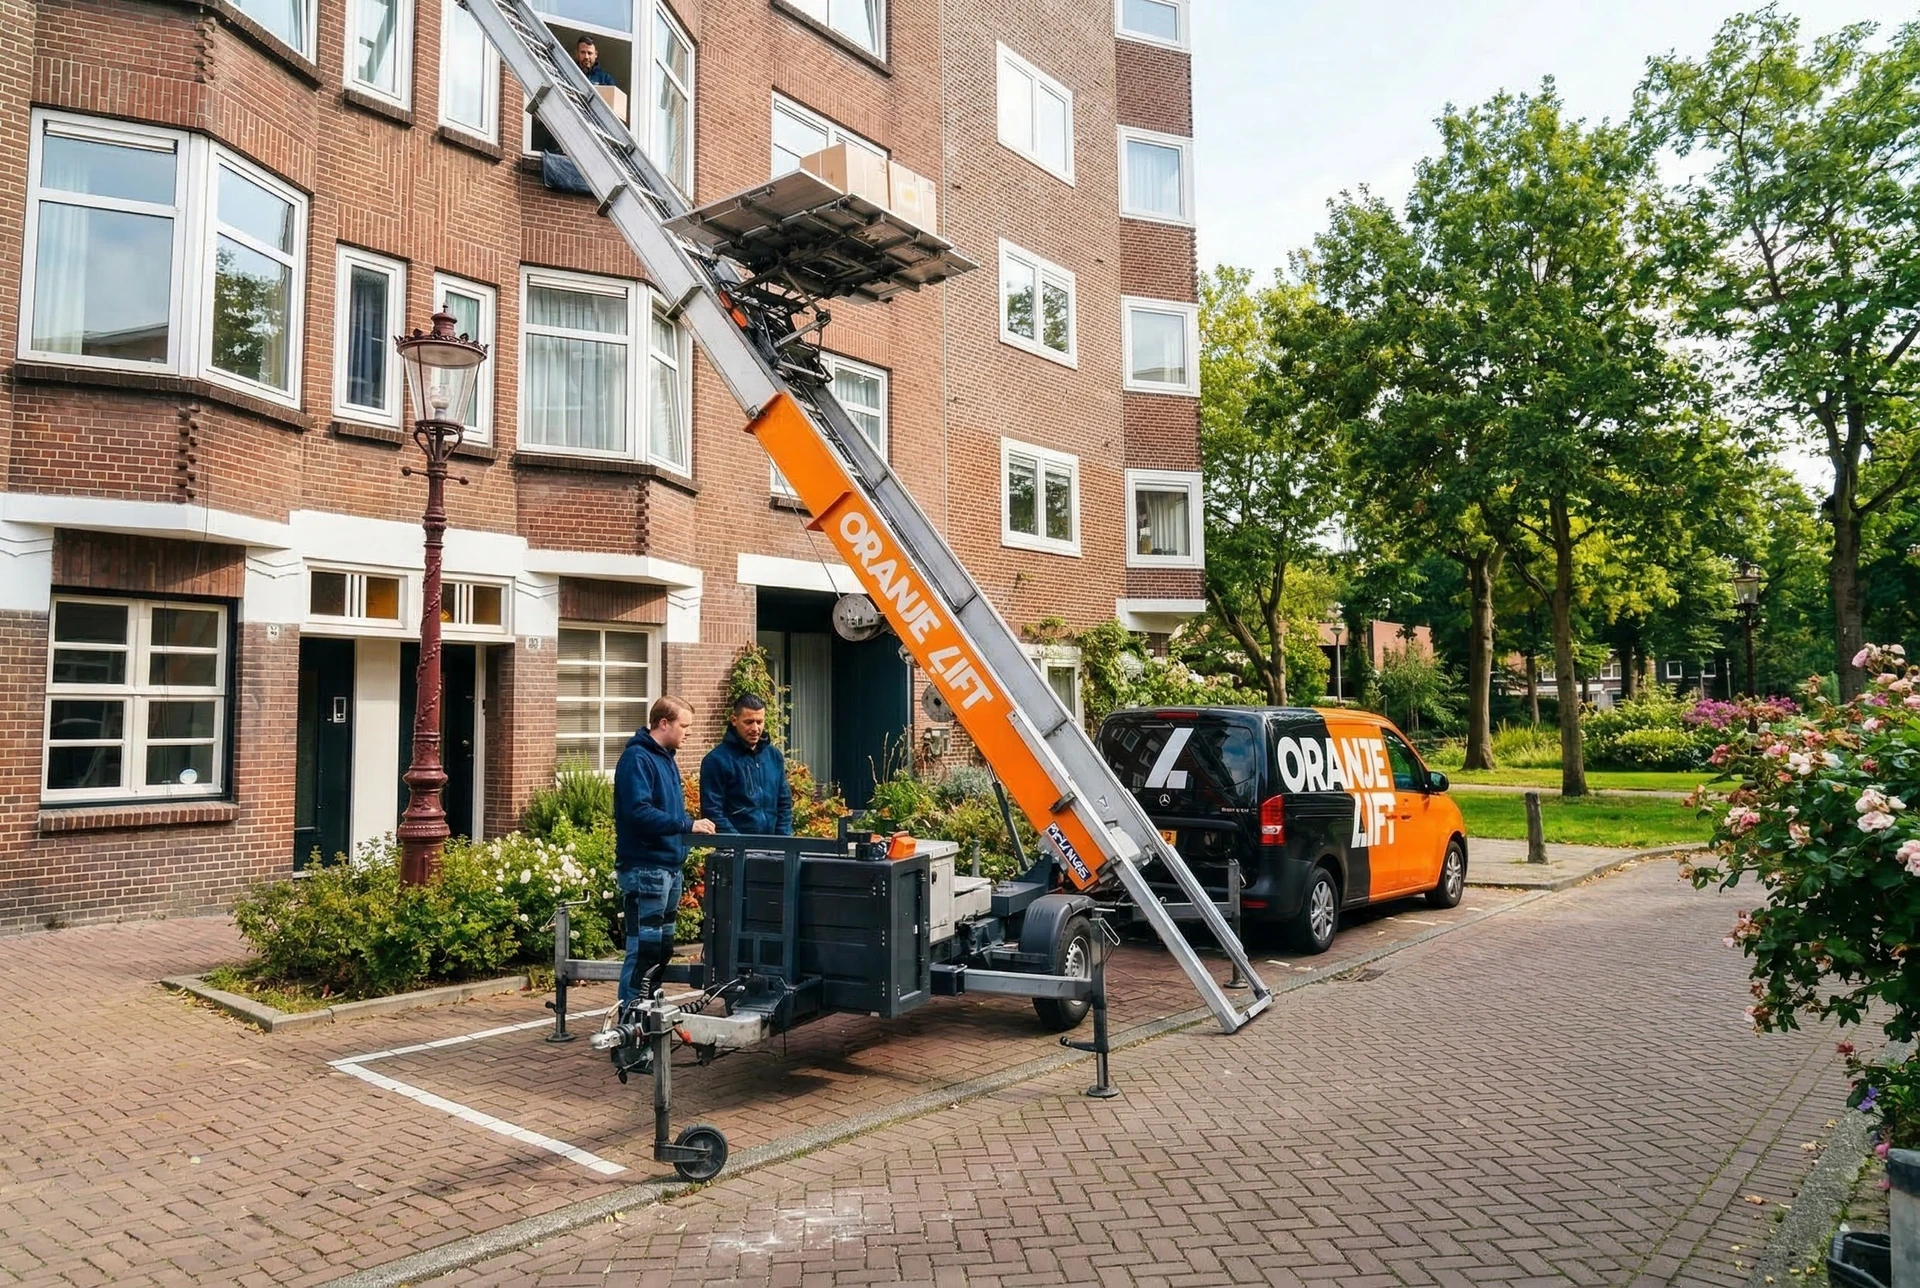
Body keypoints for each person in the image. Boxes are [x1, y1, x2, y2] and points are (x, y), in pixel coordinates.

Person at [613, 695, 714, 1012]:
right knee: (644, 948)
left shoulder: (666, 757)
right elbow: (637, 813)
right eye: (684, 726)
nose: (688, 732)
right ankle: (630, 1027)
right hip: (646, 868)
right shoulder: (637, 760)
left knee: (662, 948)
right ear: (664, 723)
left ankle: (648, 1019)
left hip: (668, 867)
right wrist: (687, 825)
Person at [699, 694, 794, 837]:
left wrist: (782, 840)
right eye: (749, 722)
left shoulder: (774, 756)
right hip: (735, 852)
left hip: (775, 847)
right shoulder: (716, 760)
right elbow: (712, 810)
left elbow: (784, 803)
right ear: (734, 720)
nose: (755, 728)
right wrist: (739, 845)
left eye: (759, 722)